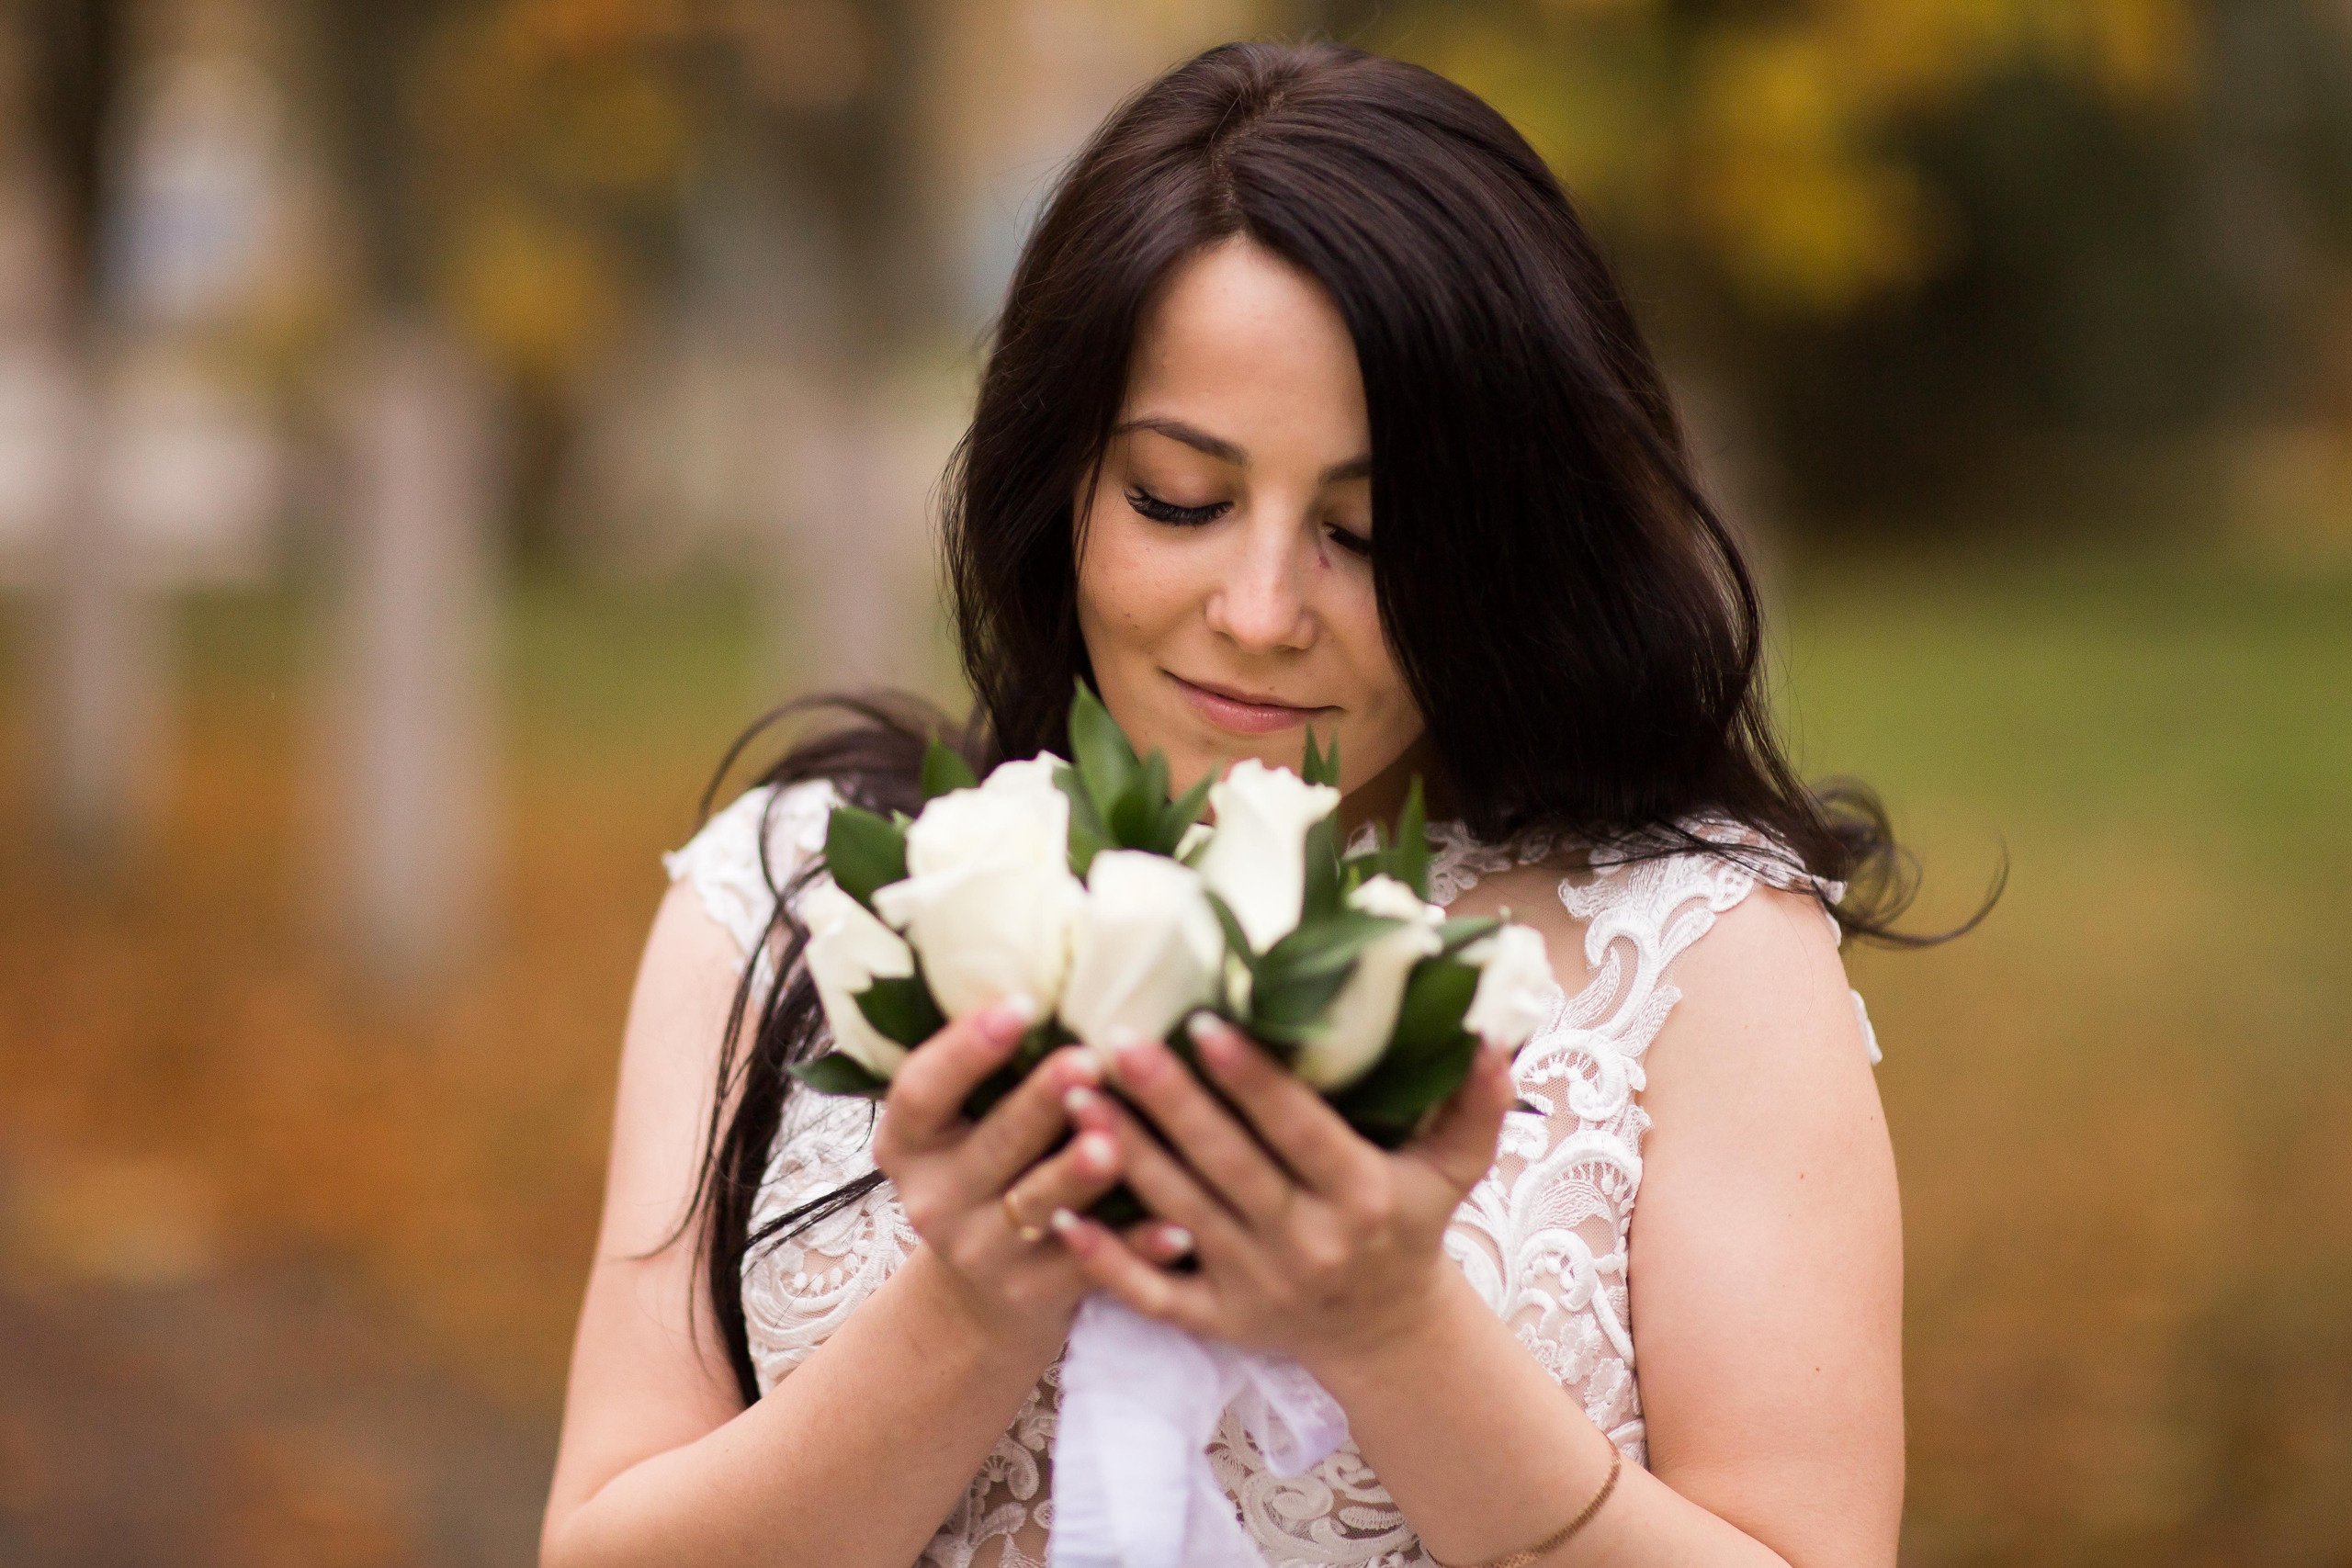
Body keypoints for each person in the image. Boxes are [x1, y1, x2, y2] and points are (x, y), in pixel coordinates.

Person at [543, 39, 1926, 1568]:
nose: (1262, 610)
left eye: (1372, 532)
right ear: (1054, 480)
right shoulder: (797, 894)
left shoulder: (1695, 955)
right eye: (1179, 501)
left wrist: (1395, 1331)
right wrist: (978, 1300)